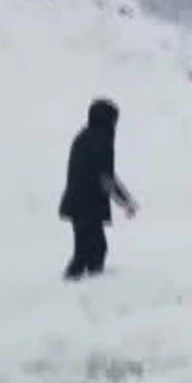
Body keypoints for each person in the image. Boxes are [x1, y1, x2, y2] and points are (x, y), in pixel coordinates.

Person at [58, 98, 138, 280]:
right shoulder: (101, 140)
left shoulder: (85, 135)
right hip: (87, 205)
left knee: (91, 250)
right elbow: (106, 177)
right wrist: (125, 202)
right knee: (90, 251)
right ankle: (79, 290)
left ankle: (86, 288)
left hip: (78, 203)